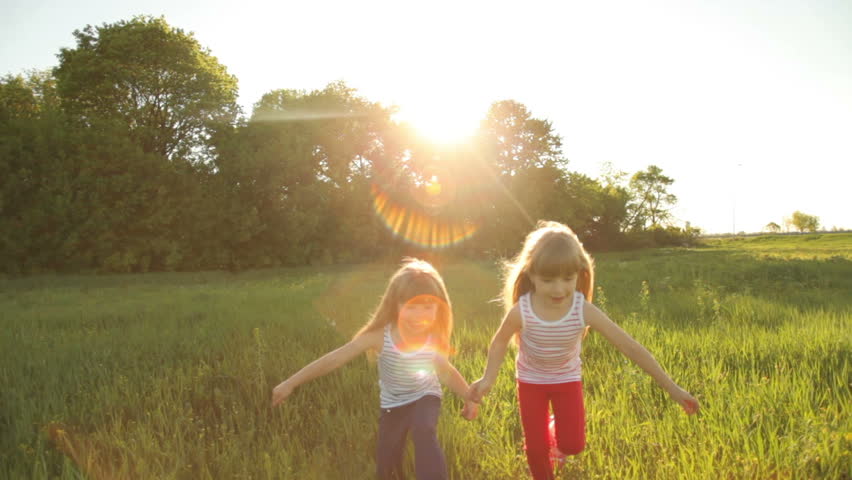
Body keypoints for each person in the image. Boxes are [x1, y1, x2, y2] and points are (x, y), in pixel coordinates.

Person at [468, 221, 699, 480]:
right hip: (531, 382)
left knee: (573, 445)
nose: (559, 289)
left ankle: (555, 433)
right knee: (535, 448)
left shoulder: (582, 309)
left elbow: (631, 347)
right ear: (531, 275)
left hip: (567, 381)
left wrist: (672, 388)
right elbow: (500, 342)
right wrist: (488, 378)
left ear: (579, 273)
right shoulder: (522, 310)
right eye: (547, 280)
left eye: (567, 278)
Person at [271, 258, 479, 480]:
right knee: (386, 464)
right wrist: (290, 382)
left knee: (423, 429)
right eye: (411, 307)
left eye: (427, 307)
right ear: (395, 305)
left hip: (425, 395)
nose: (419, 316)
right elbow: (334, 359)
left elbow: (445, 371)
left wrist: (470, 397)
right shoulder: (380, 337)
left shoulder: (433, 338)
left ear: (439, 307)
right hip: (393, 404)